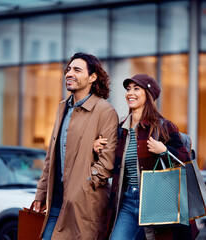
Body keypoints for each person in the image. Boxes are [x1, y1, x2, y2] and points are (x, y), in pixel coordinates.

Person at [94, 74, 199, 240]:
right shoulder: (121, 129)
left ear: (148, 95)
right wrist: (99, 150)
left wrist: (164, 150)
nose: (130, 93)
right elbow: (114, 165)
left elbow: (184, 159)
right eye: (128, 89)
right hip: (127, 201)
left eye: (136, 89)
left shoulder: (163, 126)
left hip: (157, 200)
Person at [33, 52, 119, 239]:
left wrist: (84, 186)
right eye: (68, 69)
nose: (69, 73)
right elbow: (51, 157)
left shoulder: (105, 111)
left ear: (92, 77)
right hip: (55, 201)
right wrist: (41, 193)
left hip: (83, 206)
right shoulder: (62, 107)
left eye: (77, 70)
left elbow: (107, 164)